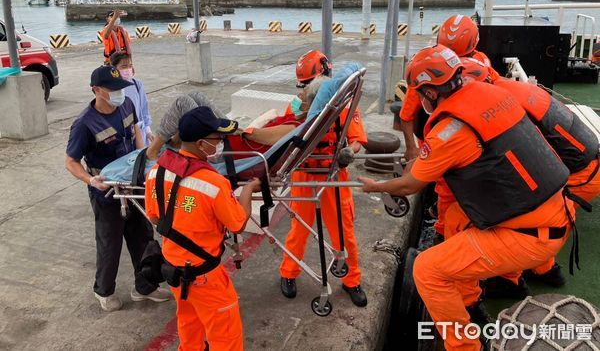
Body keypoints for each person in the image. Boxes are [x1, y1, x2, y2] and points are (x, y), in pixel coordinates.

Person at [359, 45, 575, 351]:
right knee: (456, 221)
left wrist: (376, 187)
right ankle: (471, 305)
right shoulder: (492, 96)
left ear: (431, 92)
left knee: (428, 269)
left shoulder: (451, 130)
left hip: (529, 236)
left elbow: (410, 186)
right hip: (555, 210)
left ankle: (464, 346)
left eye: (420, 92)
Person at [460, 57, 600, 289]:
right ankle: (545, 271)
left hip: (582, 175)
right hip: (587, 164)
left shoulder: (506, 106)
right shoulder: (516, 89)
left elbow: (530, 159)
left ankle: (510, 282)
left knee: (518, 215)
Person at [145, 107, 262, 351]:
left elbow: (155, 217)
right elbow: (238, 223)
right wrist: (249, 190)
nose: (220, 143)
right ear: (201, 144)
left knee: (189, 326)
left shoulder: (156, 172)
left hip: (174, 269)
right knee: (225, 337)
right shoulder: (214, 184)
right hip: (206, 276)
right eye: (217, 139)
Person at [65, 65, 171, 312]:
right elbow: (70, 162)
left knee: (142, 234)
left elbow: (136, 134)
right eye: (112, 89)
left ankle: (145, 287)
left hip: (133, 184)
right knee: (110, 242)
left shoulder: (126, 105)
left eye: (120, 88)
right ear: (96, 90)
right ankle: (103, 291)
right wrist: (90, 180)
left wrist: (144, 163)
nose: (119, 93)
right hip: (107, 190)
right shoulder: (84, 125)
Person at [279, 50, 369, 307]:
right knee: (299, 229)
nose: (307, 89)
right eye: (304, 86)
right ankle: (288, 273)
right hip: (305, 173)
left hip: (333, 175)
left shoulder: (344, 105)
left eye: (309, 83)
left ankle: (352, 280)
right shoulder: (296, 107)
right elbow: (287, 136)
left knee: (343, 231)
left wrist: (348, 153)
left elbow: (357, 140)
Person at [399, 14, 499, 161]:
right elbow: (406, 114)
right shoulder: (483, 64)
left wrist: (412, 150)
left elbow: (406, 115)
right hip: (460, 140)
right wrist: (412, 149)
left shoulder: (481, 62)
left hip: (463, 140)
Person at [147, 92, 225, 160]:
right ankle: (176, 141)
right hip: (230, 142)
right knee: (196, 96)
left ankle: (152, 151)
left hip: (223, 148)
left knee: (182, 102)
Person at [110, 52, 153, 146]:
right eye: (124, 66)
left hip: (140, 132)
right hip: (121, 137)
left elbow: (144, 108)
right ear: (114, 68)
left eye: (130, 66)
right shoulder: (110, 88)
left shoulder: (137, 85)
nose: (128, 69)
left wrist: (148, 130)